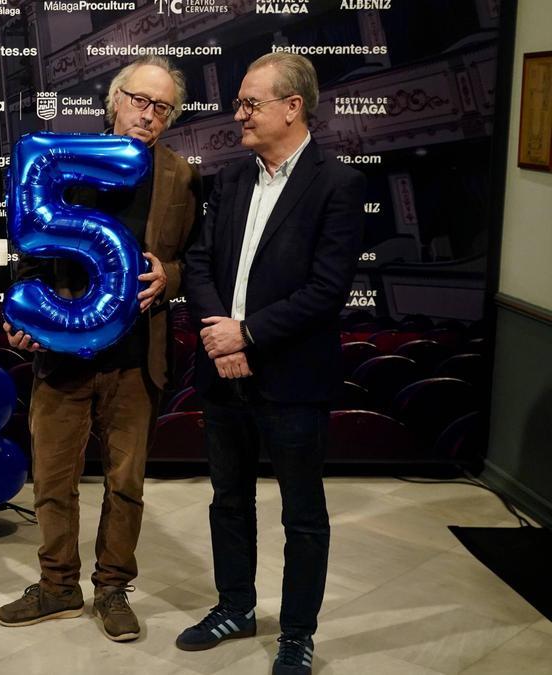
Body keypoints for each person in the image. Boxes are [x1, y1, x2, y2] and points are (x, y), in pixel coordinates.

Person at [0, 56, 202, 642]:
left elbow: (196, 257)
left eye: (162, 107)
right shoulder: (64, 165)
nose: (149, 114)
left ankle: (112, 589)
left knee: (126, 482)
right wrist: (21, 313)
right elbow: (31, 251)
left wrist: (173, 277)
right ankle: (58, 585)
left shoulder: (182, 176)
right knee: (53, 480)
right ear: (114, 101)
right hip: (61, 354)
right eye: (140, 99)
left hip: (136, 357)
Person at [178, 52, 365, 675]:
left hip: (291, 376)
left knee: (302, 513)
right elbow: (199, 263)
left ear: (293, 107)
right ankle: (234, 607)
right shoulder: (229, 180)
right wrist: (219, 336)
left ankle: (296, 634)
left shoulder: (337, 183)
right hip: (220, 368)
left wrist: (248, 335)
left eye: (250, 103)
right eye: (239, 102)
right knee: (228, 500)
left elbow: (326, 288)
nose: (239, 114)